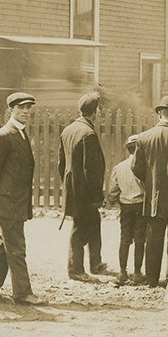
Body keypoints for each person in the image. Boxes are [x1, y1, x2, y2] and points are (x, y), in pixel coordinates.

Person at [0, 92, 42, 304]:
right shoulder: (4, 135)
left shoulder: (20, 134)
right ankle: (23, 293)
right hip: (8, 201)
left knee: (3, 244)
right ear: (11, 110)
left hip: (16, 201)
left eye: (28, 108)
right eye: (21, 108)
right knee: (16, 247)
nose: (26, 111)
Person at [131, 96, 168, 290]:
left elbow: (136, 167)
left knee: (153, 241)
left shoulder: (145, 137)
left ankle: (152, 280)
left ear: (159, 114)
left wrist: (149, 182)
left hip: (154, 197)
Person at [57, 91, 110, 281]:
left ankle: (96, 263)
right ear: (94, 112)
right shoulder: (88, 134)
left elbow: (61, 164)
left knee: (94, 223)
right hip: (85, 193)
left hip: (73, 190)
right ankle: (76, 270)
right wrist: (97, 197)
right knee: (80, 229)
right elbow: (92, 171)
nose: (101, 113)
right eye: (99, 110)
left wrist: (68, 185)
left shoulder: (68, 130)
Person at [107, 135, 147, 286]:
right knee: (139, 240)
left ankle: (122, 272)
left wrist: (117, 201)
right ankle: (137, 272)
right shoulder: (143, 166)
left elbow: (112, 191)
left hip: (125, 205)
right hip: (140, 204)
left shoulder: (119, 167)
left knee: (124, 239)